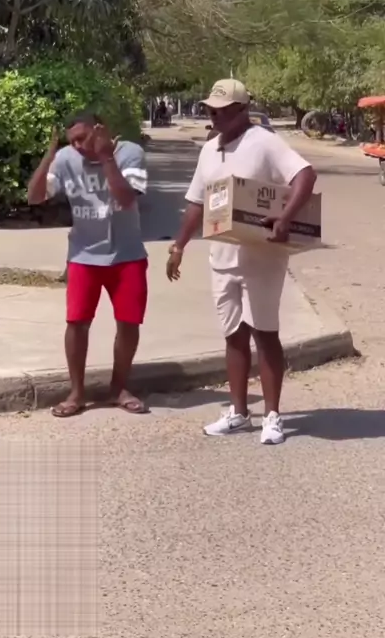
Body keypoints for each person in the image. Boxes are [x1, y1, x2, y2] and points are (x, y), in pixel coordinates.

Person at [166, 79, 317, 445]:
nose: (213, 116)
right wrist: (179, 246)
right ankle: (238, 413)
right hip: (222, 256)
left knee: (265, 334)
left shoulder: (263, 142)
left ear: (242, 110)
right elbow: (197, 202)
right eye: (210, 110)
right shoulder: (209, 149)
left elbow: (305, 175)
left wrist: (285, 218)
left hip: (261, 258)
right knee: (233, 335)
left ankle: (272, 416)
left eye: (221, 110)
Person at [28, 111, 149, 418]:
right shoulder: (66, 158)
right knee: (77, 323)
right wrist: (49, 157)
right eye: (72, 141)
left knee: (128, 323)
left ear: (100, 129)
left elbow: (127, 199)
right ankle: (77, 393)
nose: (78, 146)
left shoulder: (130, 153)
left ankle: (119, 388)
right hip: (83, 255)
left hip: (127, 254)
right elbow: (34, 197)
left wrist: (107, 158)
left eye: (83, 138)